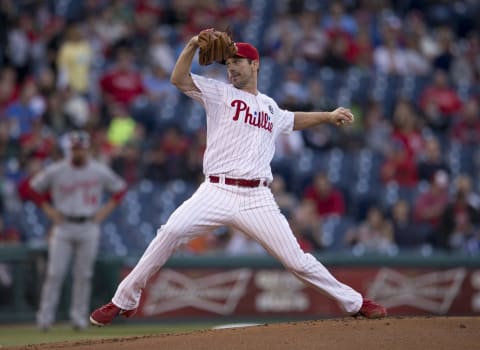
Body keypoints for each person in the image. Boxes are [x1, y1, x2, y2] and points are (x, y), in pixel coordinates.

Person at [90, 34, 387, 326]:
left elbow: (292, 120)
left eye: (238, 61)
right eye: (228, 62)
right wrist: (193, 45)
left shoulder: (270, 106)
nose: (231, 67)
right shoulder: (219, 92)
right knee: (169, 232)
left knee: (297, 261)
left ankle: (356, 303)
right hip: (216, 189)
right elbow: (178, 79)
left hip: (256, 198)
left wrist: (328, 115)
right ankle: (123, 299)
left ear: (255, 65)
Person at [29, 131, 127, 331]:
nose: (78, 152)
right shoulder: (57, 170)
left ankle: (78, 318)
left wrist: (103, 212)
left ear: (87, 148)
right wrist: (49, 211)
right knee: (55, 274)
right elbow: (32, 188)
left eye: (80, 148)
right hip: (63, 225)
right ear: (70, 149)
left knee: (83, 275)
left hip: (88, 225)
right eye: (74, 148)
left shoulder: (98, 171)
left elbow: (120, 189)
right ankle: (45, 319)